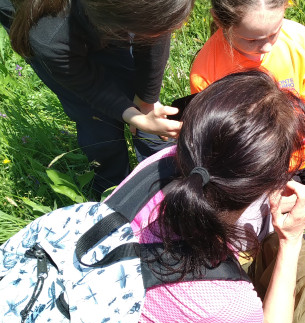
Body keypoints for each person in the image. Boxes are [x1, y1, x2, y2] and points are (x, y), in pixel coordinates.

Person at [112, 70, 305, 323]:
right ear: (271, 179)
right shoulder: (223, 300)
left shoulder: (162, 166)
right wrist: (291, 241)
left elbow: (226, 207)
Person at [0, 0, 191, 196]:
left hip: (104, 18)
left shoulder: (152, 8)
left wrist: (146, 100)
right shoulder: (48, 35)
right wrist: (134, 117)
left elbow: (156, 31)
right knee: (96, 122)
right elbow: (88, 86)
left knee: (135, 90)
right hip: (49, 27)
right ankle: (112, 190)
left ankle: (164, 174)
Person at [189, 0, 305, 187]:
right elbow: (219, 137)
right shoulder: (206, 71)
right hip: (257, 165)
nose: (267, 47)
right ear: (219, 20)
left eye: (275, 33)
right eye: (252, 40)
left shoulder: (299, 38)